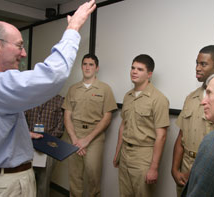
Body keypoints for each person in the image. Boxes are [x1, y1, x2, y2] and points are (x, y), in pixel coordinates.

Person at [0, 1, 96, 196]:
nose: (24, 53)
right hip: (5, 186)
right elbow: (51, 75)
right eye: (19, 46)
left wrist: (24, 134)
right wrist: (73, 28)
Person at [171, 45, 214, 196]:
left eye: (203, 64)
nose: (197, 68)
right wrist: (175, 170)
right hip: (185, 168)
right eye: (197, 63)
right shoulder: (191, 97)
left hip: (211, 169)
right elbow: (181, 136)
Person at [113, 54, 169, 196]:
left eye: (139, 69)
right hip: (125, 153)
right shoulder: (128, 96)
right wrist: (117, 152)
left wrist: (154, 168)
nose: (134, 71)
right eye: (132, 68)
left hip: (144, 156)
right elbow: (123, 126)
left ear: (149, 74)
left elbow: (161, 136)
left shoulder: (158, 99)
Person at [62, 53, 117, 196]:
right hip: (74, 135)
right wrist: (75, 139)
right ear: (81, 66)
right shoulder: (73, 89)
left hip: (94, 137)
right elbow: (67, 115)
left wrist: (86, 140)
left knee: (93, 176)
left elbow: (107, 118)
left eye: (91, 64)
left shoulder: (105, 89)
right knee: (74, 177)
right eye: (85, 64)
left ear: (97, 68)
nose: (87, 67)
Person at [25, 94, 64, 197]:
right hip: (28, 146)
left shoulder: (59, 100)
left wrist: (46, 143)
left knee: (44, 182)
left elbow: (60, 127)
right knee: (27, 181)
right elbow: (21, 122)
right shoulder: (29, 98)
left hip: (49, 148)